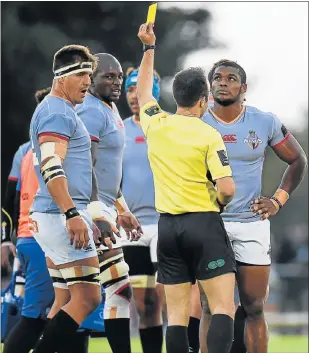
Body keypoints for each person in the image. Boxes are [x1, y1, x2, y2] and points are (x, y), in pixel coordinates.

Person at [136, 23, 237, 353]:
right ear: (204, 100)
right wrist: (220, 203)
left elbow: (143, 94)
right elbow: (227, 188)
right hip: (203, 224)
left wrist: (148, 49)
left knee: (176, 316)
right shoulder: (207, 133)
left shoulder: (155, 124)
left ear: (176, 96)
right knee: (223, 307)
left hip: (167, 228)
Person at [199, 59, 308, 353]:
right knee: (211, 307)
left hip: (252, 224)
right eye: (217, 78)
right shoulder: (196, 122)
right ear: (210, 86)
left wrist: (277, 200)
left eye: (231, 78)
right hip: (210, 225)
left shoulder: (264, 122)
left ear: (243, 88)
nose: (223, 82)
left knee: (255, 307)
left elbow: (298, 160)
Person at [29, 45, 116, 353]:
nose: (86, 83)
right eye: (80, 74)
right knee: (89, 297)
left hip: (52, 215)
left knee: (65, 299)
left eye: (89, 75)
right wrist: (72, 214)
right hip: (59, 215)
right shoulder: (56, 111)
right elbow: (51, 167)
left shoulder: (62, 110)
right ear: (60, 77)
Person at [76, 53, 143, 353]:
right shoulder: (91, 110)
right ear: (91, 78)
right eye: (108, 76)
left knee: (84, 295)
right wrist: (96, 214)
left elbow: (108, 171)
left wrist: (123, 210)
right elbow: (86, 166)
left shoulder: (109, 108)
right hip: (92, 209)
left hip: (104, 207)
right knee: (117, 287)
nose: (116, 82)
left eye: (118, 76)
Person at [2, 87, 55, 353]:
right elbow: (10, 199)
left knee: (69, 312)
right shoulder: (32, 150)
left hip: (37, 238)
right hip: (40, 238)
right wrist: (4, 240)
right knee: (34, 317)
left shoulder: (35, 148)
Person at [121, 67, 164, 353]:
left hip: (167, 225)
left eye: (141, 88)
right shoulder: (118, 130)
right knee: (143, 304)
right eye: (130, 90)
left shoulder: (169, 125)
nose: (135, 96)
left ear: (155, 91)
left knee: (172, 300)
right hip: (131, 229)